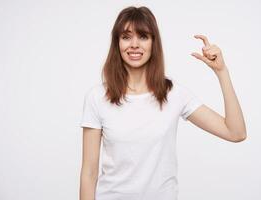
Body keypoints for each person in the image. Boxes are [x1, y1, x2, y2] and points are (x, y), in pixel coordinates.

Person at [79, 6, 247, 200]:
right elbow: (89, 173)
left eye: (143, 36)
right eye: (126, 37)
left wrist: (222, 72)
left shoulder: (174, 93)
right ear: (117, 43)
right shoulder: (97, 97)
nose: (134, 44)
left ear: (153, 43)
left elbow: (236, 133)